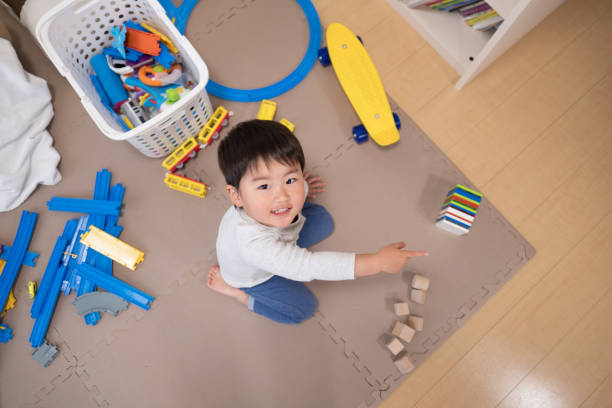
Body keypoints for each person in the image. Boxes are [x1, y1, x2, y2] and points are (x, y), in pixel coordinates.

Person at [207, 119, 427, 324]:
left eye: (290, 179)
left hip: (278, 239)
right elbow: (311, 266)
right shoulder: (254, 247)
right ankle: (238, 294)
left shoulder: (278, 199)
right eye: (264, 186)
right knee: (303, 310)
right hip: (255, 277)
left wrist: (303, 187)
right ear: (236, 196)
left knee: (323, 221)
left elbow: (292, 189)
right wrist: (378, 262)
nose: (282, 196)